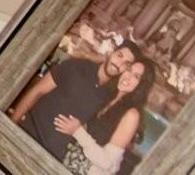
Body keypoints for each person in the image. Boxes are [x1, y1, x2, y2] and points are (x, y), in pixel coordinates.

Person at [11, 40, 149, 174]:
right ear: (111, 52)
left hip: (51, 161)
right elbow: (37, 91)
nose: (119, 64)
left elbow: (110, 158)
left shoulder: (108, 95)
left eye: (126, 64)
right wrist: (11, 123)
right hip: (26, 136)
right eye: (119, 55)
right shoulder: (76, 66)